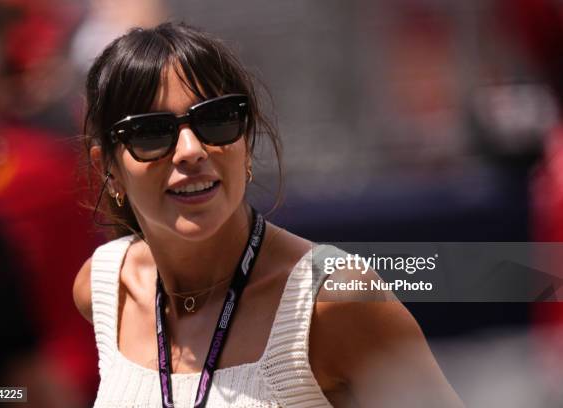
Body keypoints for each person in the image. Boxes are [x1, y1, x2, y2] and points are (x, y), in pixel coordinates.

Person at [73, 22, 463, 407]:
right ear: (109, 169)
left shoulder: (333, 298)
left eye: (217, 119)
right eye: (151, 132)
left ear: (246, 144)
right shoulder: (103, 289)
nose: (191, 150)